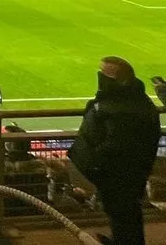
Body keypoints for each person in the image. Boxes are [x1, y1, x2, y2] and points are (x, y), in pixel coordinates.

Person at [68, 56, 161, 245]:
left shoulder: (125, 107)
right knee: (122, 211)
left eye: (105, 74)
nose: (101, 78)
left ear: (122, 80)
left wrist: (94, 163)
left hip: (120, 171)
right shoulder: (130, 101)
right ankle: (122, 240)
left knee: (123, 210)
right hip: (121, 170)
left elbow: (116, 143)